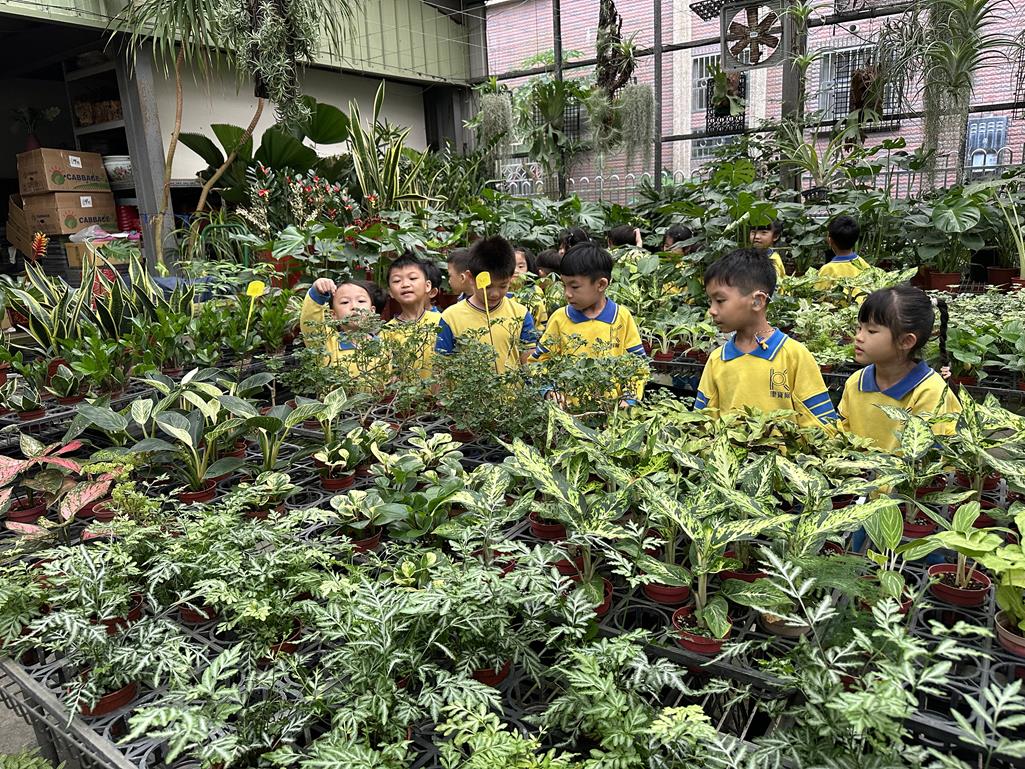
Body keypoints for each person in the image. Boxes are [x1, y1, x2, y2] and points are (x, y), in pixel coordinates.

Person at [695, 248, 837, 428]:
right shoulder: (717, 359)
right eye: (711, 301)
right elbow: (701, 424)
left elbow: (822, 426)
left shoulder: (794, 355)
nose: (712, 310)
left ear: (757, 301)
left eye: (720, 300)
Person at [838, 285, 960, 451]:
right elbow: (843, 436)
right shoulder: (855, 382)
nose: (858, 337)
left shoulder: (929, 391)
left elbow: (928, 457)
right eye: (859, 327)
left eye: (871, 331)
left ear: (906, 341)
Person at [531, 242, 648, 401]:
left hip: (613, 410)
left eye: (574, 287)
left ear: (601, 284)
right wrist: (548, 391)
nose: (567, 293)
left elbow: (638, 365)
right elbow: (538, 363)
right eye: (564, 285)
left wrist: (629, 398)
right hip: (567, 413)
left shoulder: (622, 317)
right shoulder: (559, 318)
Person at [435, 236, 537, 373]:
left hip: (513, 387)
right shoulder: (451, 317)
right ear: (470, 278)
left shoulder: (520, 314)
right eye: (487, 287)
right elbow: (440, 369)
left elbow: (529, 363)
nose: (494, 294)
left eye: (503, 286)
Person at [301, 277, 386, 367]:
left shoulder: (385, 344)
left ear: (372, 311)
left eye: (361, 301)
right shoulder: (327, 345)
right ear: (333, 315)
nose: (354, 306)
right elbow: (311, 325)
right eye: (345, 302)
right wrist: (317, 293)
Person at [384, 253, 441, 378]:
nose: (405, 284)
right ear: (390, 292)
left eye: (413, 278)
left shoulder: (442, 322)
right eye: (397, 281)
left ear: (427, 286)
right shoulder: (386, 332)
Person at [818, 215, 870, 291]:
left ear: (830, 240)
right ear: (856, 239)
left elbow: (818, 294)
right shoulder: (863, 264)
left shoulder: (827, 269)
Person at [513, 244, 549, 330]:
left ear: (528, 268)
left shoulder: (535, 290)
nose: (515, 270)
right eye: (511, 266)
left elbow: (542, 321)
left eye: (521, 267)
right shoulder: (501, 293)